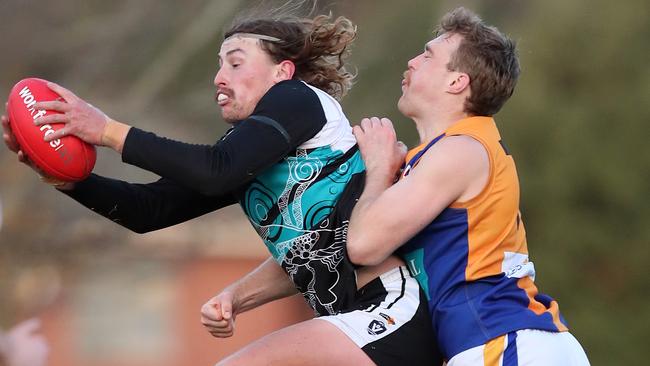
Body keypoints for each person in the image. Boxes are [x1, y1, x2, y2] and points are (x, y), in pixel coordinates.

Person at [2, 11, 440, 366]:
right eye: (218, 65)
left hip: (388, 310)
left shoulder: (299, 100)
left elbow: (214, 171)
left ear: (282, 71)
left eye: (235, 62)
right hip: (351, 320)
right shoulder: (246, 154)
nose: (218, 77)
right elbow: (147, 211)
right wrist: (66, 180)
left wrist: (107, 130)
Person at [346, 7, 590, 365]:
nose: (412, 61)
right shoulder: (447, 152)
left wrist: (379, 170)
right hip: (502, 343)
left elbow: (363, 245)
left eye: (428, 55)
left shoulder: (461, 150)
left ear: (457, 82)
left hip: (505, 341)